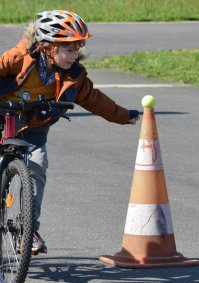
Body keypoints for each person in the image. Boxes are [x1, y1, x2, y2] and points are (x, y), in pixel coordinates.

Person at [0, 10, 140, 254]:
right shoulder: (18, 58)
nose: (74, 56)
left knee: (37, 167)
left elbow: (94, 99)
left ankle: (28, 229)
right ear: (48, 47)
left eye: (77, 49)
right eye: (69, 49)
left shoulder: (73, 74)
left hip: (34, 130)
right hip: (4, 119)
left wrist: (124, 116)